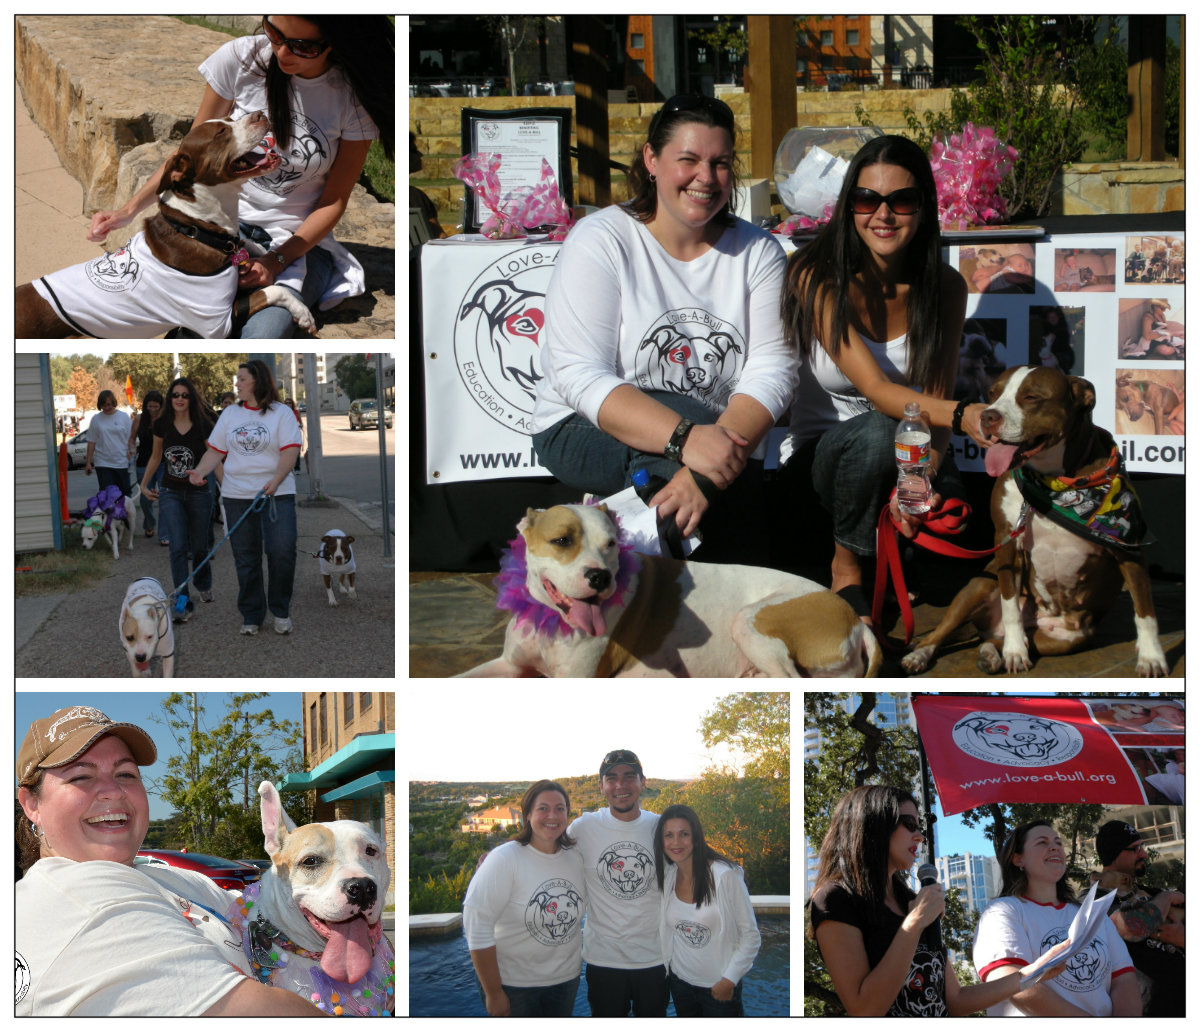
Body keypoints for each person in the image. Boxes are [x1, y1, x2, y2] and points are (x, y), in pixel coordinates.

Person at [530, 94, 798, 565]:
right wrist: (686, 440)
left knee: (715, 479)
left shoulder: (759, 252)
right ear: (651, 160)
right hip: (578, 426)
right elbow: (577, 374)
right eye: (688, 160)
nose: (705, 178)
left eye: (719, 163)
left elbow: (774, 369)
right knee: (696, 471)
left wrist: (705, 469)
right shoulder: (602, 239)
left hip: (715, 436)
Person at [778, 135, 995, 614]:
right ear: (848, 206)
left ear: (923, 208)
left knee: (949, 513)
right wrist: (967, 414)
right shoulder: (813, 275)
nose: (883, 214)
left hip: (908, 454)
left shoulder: (945, 287)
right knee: (879, 431)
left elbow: (932, 407)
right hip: (822, 466)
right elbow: (877, 391)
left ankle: (893, 549)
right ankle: (846, 567)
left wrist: (920, 479)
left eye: (901, 199)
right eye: (866, 199)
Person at [88, 16, 394, 339]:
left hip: (296, 247)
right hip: (219, 231)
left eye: (302, 47)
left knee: (264, 334)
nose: (281, 53)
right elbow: (188, 157)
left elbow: (334, 201)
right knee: (188, 327)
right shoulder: (241, 59)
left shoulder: (349, 97)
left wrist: (275, 262)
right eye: (274, 32)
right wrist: (127, 211)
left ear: (335, 42)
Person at [16, 705, 320, 1016]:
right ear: (31, 804)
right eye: (81, 776)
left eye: (125, 774)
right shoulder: (83, 901)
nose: (112, 791)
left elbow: (269, 914)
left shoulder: (166, 878)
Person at [810, 786, 1065, 1016]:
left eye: (920, 826)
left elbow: (955, 999)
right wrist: (913, 925)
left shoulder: (911, 900)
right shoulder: (835, 899)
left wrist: (1033, 972)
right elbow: (864, 1009)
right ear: (873, 824)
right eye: (909, 824)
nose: (919, 836)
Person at [973, 819, 1140, 1016]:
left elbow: (1124, 979)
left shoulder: (1093, 914)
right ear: (1018, 859)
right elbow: (1008, 980)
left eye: (1058, 843)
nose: (1054, 848)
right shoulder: (1001, 911)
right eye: (1042, 842)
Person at [188, 360, 301, 635]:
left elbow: (290, 451)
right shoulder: (229, 415)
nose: (236, 383)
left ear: (257, 381)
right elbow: (215, 451)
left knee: (282, 552)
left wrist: (275, 480)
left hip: (277, 494)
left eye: (241, 378)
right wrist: (200, 471)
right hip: (236, 496)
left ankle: (280, 610)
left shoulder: (281, 413)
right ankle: (251, 614)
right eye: (236, 379)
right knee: (246, 558)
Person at [463, 780, 586, 1017]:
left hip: (565, 980)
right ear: (528, 814)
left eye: (560, 808)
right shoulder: (504, 859)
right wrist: (494, 992)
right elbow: (477, 925)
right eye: (543, 808)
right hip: (513, 986)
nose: (553, 815)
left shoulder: (576, 858)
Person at [567, 750, 666, 1016]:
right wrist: (500, 853)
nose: (620, 785)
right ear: (601, 786)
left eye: (629, 777)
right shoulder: (583, 828)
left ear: (643, 782)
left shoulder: (660, 827)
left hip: (655, 959)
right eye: (611, 778)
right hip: (603, 961)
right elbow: (543, 847)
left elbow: (694, 859)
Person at [654, 804, 759, 1017]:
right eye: (669, 835)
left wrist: (729, 980)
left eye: (684, 834)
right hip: (680, 983)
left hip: (719, 988)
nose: (676, 842)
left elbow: (751, 936)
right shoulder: (669, 876)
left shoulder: (725, 876)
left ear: (696, 836)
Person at [139, 378, 218, 622]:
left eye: (184, 395)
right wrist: (144, 484)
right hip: (171, 492)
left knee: (199, 546)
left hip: (199, 493)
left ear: (191, 398)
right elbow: (155, 457)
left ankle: (203, 582)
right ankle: (182, 599)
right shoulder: (162, 424)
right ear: (170, 398)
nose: (180, 399)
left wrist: (229, 488)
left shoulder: (203, 424)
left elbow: (215, 456)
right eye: (175, 395)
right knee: (177, 547)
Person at [1090, 819, 1184, 1015]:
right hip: (1147, 1012)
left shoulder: (1151, 892)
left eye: (1142, 846)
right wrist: (1166, 898)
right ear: (1114, 854)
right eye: (1134, 849)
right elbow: (1134, 927)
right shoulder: (1093, 898)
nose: (1143, 854)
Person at [83, 390, 134, 496]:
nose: (106, 408)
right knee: (107, 496)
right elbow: (91, 441)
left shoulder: (123, 417)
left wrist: (131, 450)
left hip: (121, 462)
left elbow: (131, 437)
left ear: (113, 403)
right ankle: (109, 512)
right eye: (103, 405)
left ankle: (123, 513)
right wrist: (88, 463)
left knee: (124, 496)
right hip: (103, 462)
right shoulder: (96, 419)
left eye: (109, 405)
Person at [129, 390, 164, 541]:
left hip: (164, 463)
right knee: (145, 499)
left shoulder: (166, 419)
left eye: (156, 406)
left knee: (166, 498)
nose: (153, 410)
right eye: (150, 406)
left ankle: (165, 534)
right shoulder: (139, 419)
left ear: (161, 406)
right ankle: (149, 524)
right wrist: (131, 449)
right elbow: (131, 439)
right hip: (143, 463)